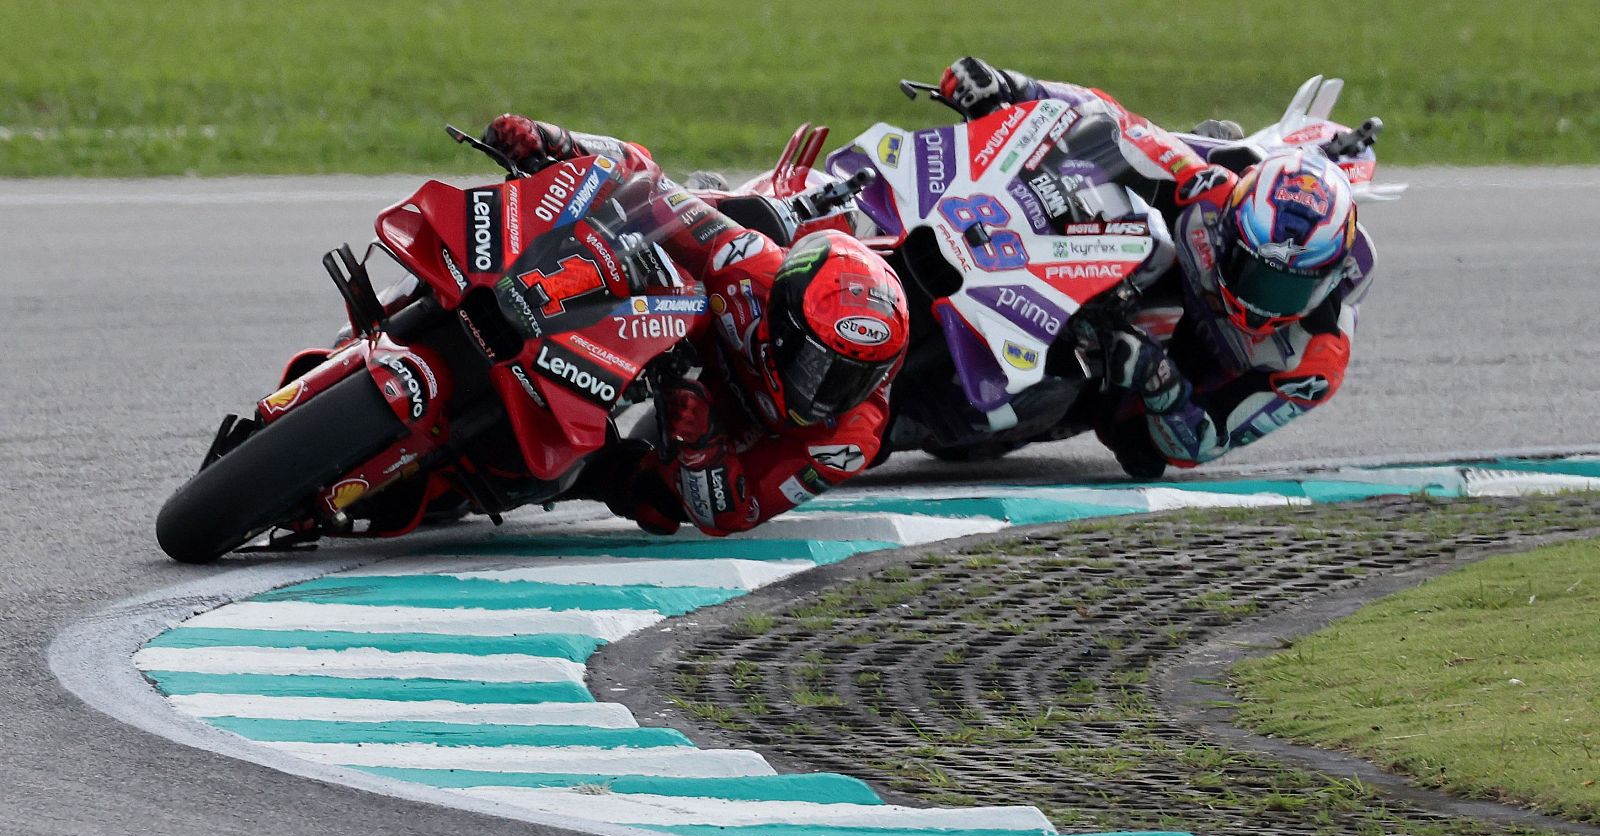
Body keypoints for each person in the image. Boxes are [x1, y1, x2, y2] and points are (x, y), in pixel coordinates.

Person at [937, 58, 1374, 478]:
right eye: (1252, 271)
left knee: (1141, 451)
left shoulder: (1314, 362)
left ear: (1329, 280)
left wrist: (1158, 380)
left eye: (1285, 289)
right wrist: (1014, 87)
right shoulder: (1212, 193)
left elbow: (1205, 442)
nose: (1260, 303)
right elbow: (1114, 122)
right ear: (1229, 232)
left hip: (1182, 375)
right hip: (1141, 269)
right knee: (1094, 164)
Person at [482, 115, 910, 535]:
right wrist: (555, 141)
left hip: (715, 431)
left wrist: (702, 449)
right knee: (610, 220)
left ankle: (568, 471)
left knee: (656, 505)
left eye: (851, 379)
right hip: (659, 325)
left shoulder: (851, 440)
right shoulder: (747, 264)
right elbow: (648, 184)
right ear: (785, 322)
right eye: (818, 365)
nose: (826, 390)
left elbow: (738, 512)